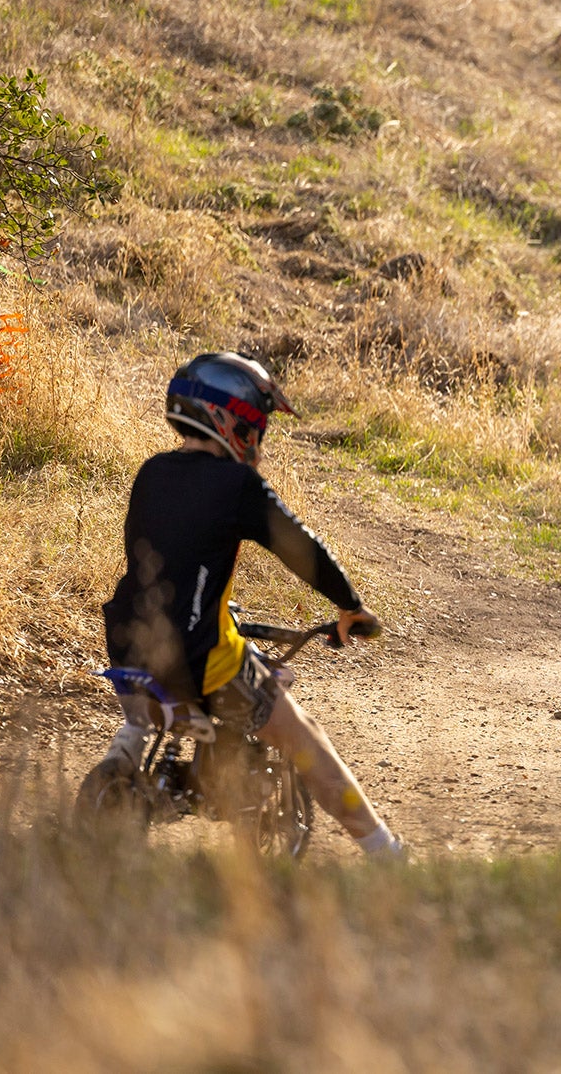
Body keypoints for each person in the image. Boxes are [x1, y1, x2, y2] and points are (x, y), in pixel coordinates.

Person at [78, 352, 402, 857]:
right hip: (198, 662)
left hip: (124, 644)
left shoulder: (152, 473)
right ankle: (387, 851)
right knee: (301, 734)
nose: (258, 437)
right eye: (257, 424)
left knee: (176, 688)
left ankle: (126, 760)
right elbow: (303, 550)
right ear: (233, 421)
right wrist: (349, 605)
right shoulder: (237, 486)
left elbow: (173, 566)